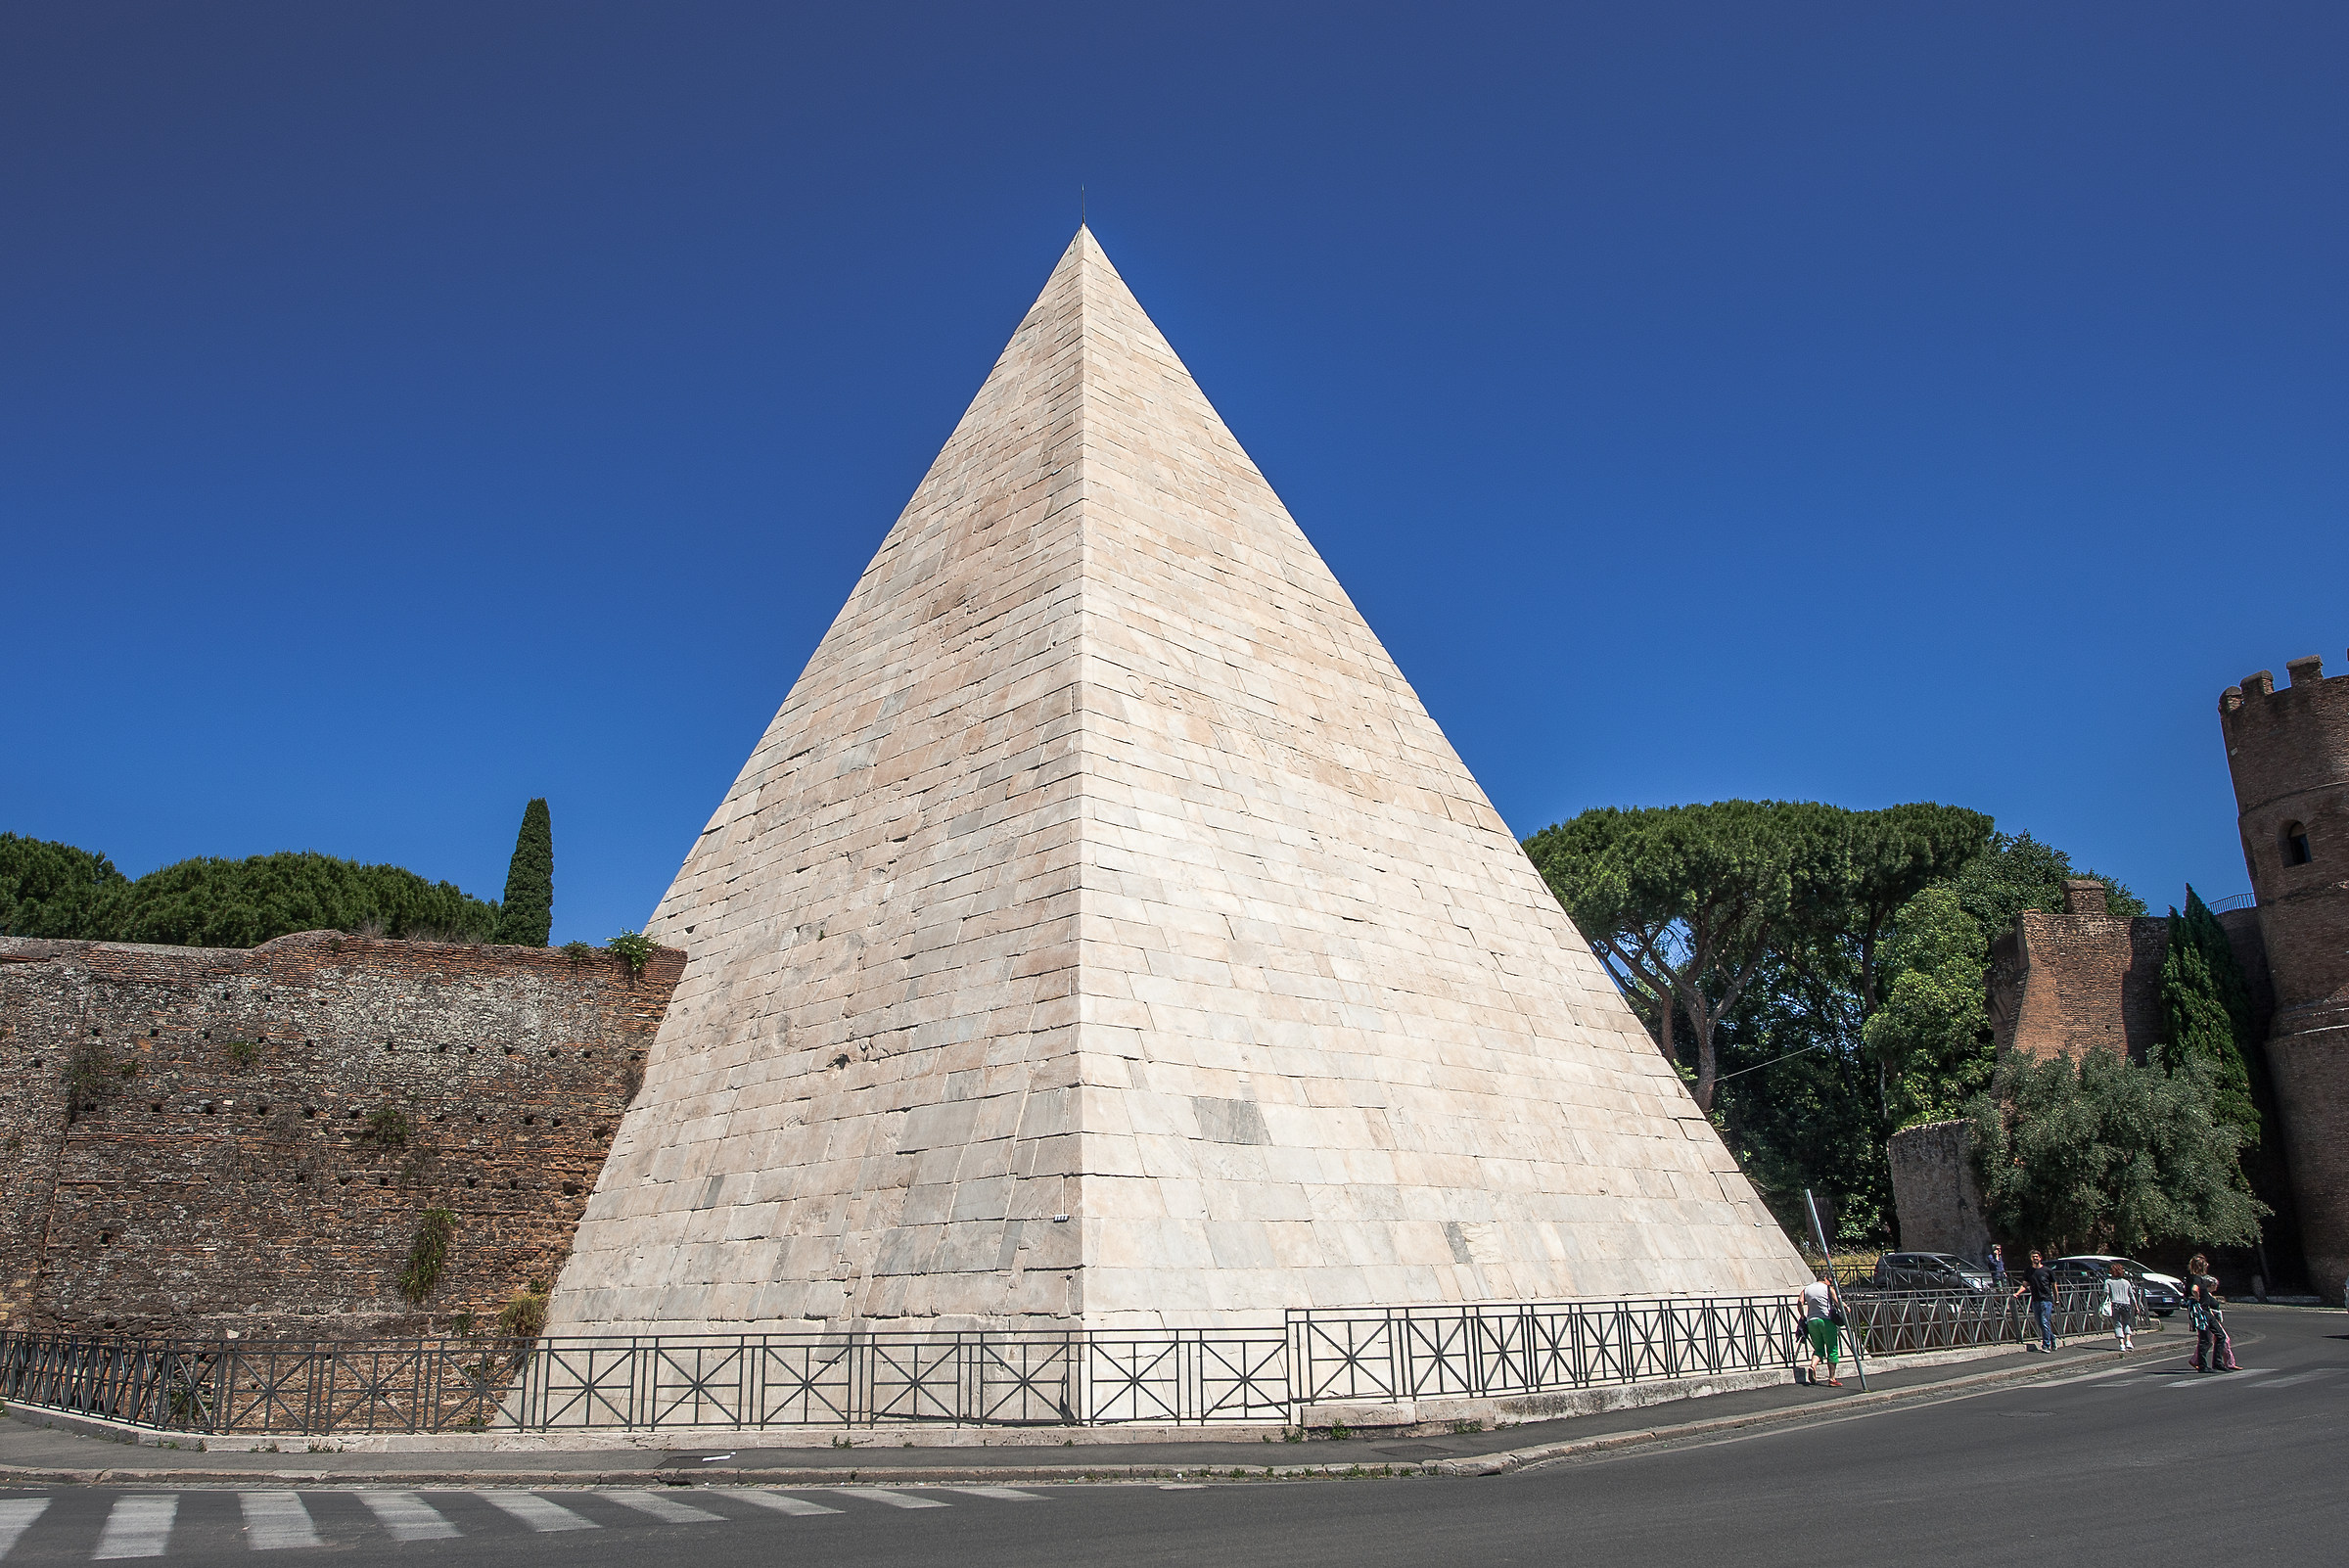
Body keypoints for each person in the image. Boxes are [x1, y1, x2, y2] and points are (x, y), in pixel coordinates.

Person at [2186, 1255, 2236, 1372]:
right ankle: (2203, 1366)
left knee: (2220, 1335)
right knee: (2205, 1339)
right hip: (2202, 1312)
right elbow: (2194, 1289)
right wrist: (2198, 1298)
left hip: (2206, 1311)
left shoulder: (2199, 1278)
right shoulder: (2196, 1278)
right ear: (2201, 1267)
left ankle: (2217, 1363)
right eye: (2204, 1265)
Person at [1802, 1268, 1844, 1387]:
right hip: (1826, 1321)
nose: (1830, 1282)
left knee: (1818, 1348)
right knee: (1832, 1349)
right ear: (1825, 1279)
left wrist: (1802, 1316)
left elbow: (1800, 1302)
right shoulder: (1827, 1289)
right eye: (1830, 1280)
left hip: (1811, 1321)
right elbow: (1837, 1302)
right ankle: (1832, 1378)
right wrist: (1845, 1308)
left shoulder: (1807, 1289)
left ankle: (1812, 1366)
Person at [2010, 1249, 2057, 1351]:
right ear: (2031, 1259)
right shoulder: (2029, 1271)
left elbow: (2054, 1285)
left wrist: (2056, 1299)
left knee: (2045, 1321)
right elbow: (2025, 1285)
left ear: (2040, 1258)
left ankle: (2046, 1345)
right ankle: (2052, 1338)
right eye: (2033, 1257)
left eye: (2037, 1256)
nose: (2035, 1258)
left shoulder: (2047, 1271)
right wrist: (2017, 1293)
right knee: (2040, 1322)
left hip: (2046, 1300)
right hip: (2035, 1300)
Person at [2104, 1261, 2138, 1353]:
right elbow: (2131, 1295)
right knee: (2126, 1323)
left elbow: (2106, 1293)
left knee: (2117, 1324)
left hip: (2115, 1304)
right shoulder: (2126, 1282)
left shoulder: (2108, 1281)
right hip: (2126, 1304)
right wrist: (2136, 1306)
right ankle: (2128, 1341)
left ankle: (2121, 1344)